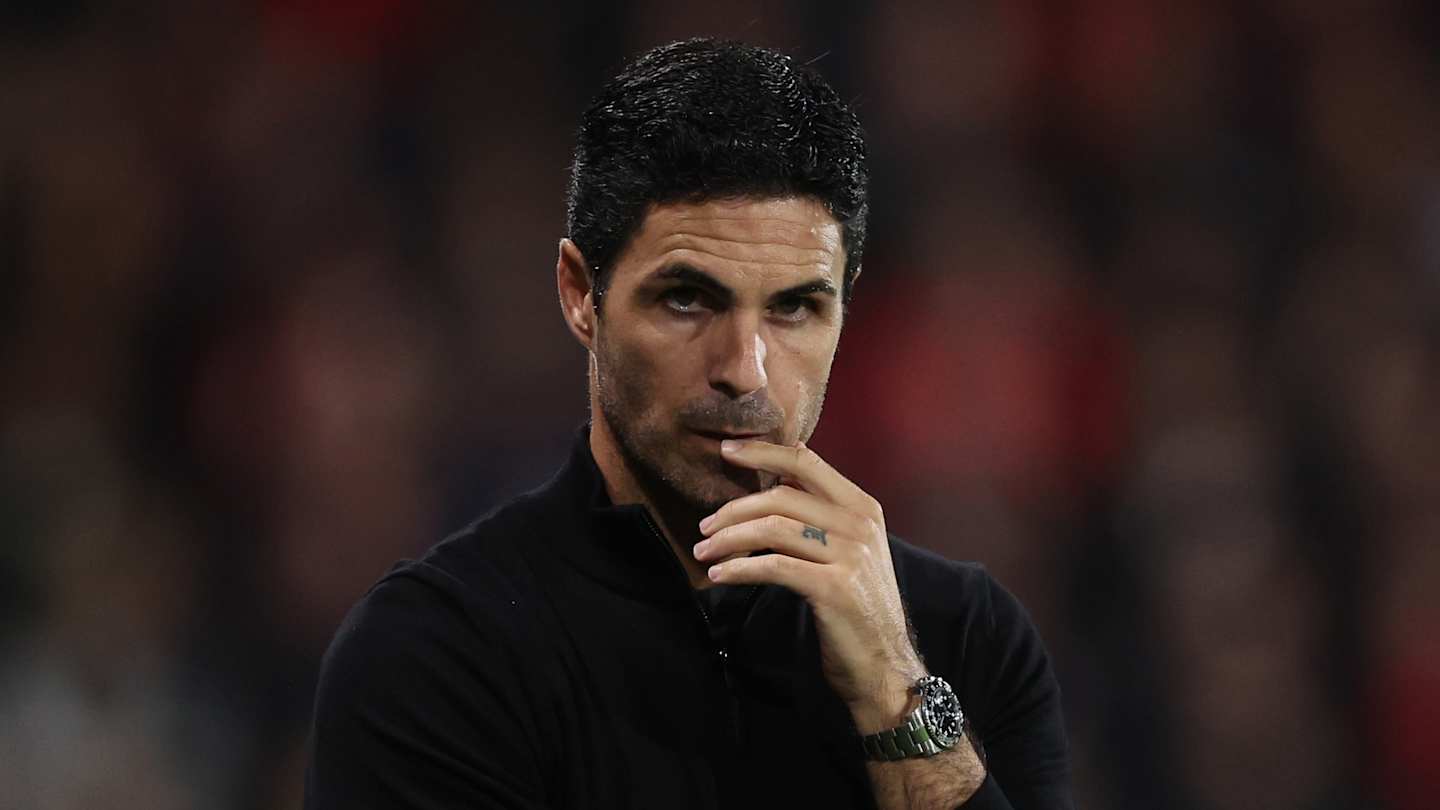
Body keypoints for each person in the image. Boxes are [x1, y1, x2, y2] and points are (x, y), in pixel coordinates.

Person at [305, 38, 1072, 810]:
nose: (746, 369)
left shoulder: (967, 636)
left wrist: (891, 691)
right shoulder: (435, 653)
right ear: (580, 294)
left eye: (795, 308)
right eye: (687, 299)